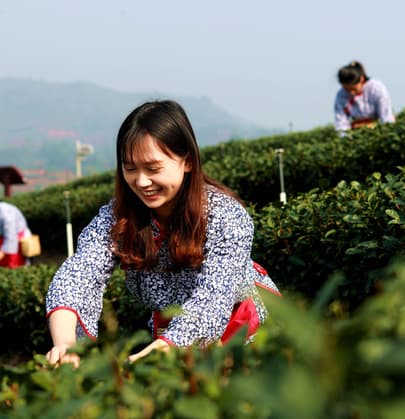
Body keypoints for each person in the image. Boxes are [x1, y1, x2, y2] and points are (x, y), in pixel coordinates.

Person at [45, 100, 281, 366]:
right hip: (169, 334)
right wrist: (65, 343)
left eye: (153, 168)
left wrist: (169, 346)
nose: (142, 182)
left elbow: (214, 296)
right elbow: (78, 275)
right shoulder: (118, 218)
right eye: (130, 168)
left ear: (188, 162)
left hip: (243, 332)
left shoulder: (226, 216)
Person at [334, 61, 395, 132]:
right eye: (347, 90)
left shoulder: (376, 88)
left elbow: (386, 115)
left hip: (378, 130)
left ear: (361, 79)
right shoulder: (341, 95)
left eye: (354, 89)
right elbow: (341, 122)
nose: (351, 93)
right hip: (356, 132)